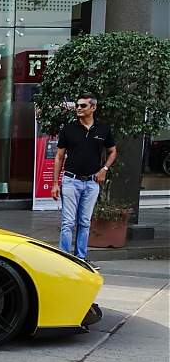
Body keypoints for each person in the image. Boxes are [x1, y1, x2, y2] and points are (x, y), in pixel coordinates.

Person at [51, 92, 117, 260]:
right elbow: (59, 157)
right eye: (77, 105)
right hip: (70, 181)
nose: (78, 108)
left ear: (93, 108)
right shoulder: (69, 129)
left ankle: (81, 259)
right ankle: (65, 258)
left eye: (83, 105)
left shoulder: (103, 129)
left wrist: (104, 169)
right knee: (67, 222)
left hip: (91, 182)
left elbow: (112, 151)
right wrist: (55, 183)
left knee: (84, 222)